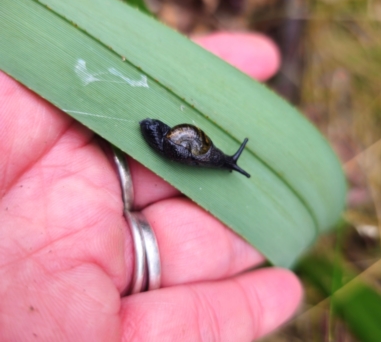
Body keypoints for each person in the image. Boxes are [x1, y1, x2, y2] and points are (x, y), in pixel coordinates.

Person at [0, 32, 302, 341]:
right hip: (180, 145)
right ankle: (221, 160)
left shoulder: (190, 147)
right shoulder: (178, 142)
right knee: (201, 151)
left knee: (218, 157)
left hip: (185, 148)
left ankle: (225, 161)